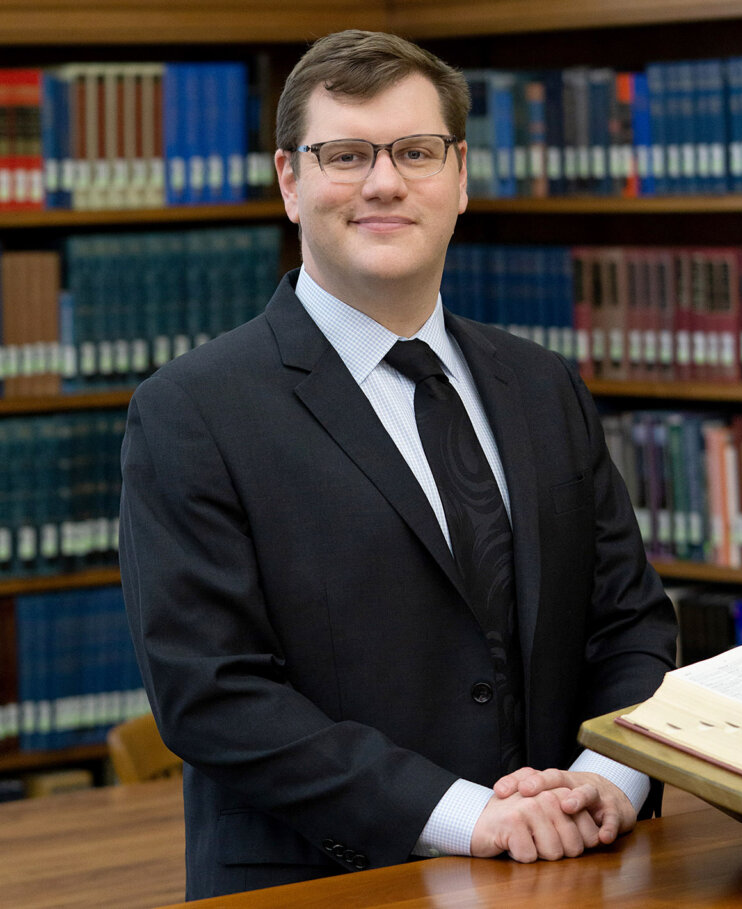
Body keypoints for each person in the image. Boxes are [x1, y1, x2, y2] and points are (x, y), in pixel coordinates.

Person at [118, 29, 678, 900]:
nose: (385, 181)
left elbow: (631, 623)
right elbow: (213, 694)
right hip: (321, 884)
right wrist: (465, 814)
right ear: (290, 182)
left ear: (459, 177)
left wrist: (607, 776)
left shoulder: (541, 384)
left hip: (566, 872)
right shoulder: (192, 411)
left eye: (416, 151)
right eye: (346, 154)